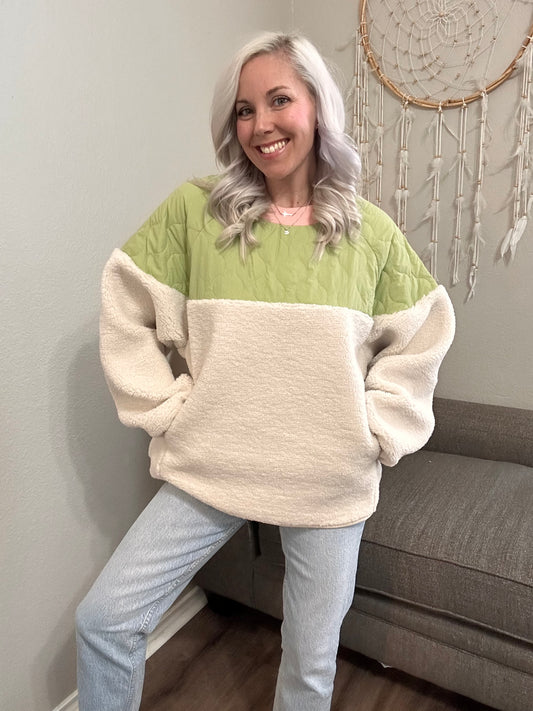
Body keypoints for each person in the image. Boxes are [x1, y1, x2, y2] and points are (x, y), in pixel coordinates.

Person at [76, 31, 455, 711]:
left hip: (328, 480)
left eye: (279, 100)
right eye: (244, 110)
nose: (260, 124)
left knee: (308, 668)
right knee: (105, 620)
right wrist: (165, 410)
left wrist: (378, 427)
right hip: (211, 464)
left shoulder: (367, 232)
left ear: (316, 105)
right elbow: (123, 303)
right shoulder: (195, 213)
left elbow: (425, 329)